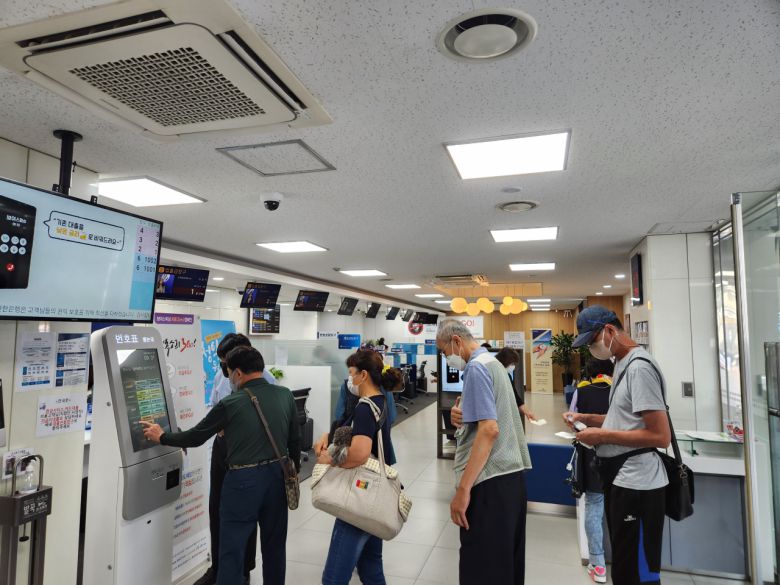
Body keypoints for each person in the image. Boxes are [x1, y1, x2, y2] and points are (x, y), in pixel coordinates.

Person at [142, 346, 300, 585]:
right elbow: (294, 440)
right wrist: (292, 470)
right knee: (275, 546)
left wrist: (162, 437)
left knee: (232, 551)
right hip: (277, 477)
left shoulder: (231, 403)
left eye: (227, 372)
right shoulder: (285, 395)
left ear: (236, 373)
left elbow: (196, 437)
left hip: (242, 483)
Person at [563, 306, 671, 585]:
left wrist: (601, 437)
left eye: (592, 341)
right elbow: (624, 418)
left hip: (640, 485)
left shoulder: (639, 368)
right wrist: (587, 418)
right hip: (622, 480)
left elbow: (660, 435)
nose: (591, 349)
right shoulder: (621, 363)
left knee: (637, 571)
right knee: (623, 568)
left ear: (610, 331)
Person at [439, 319, 532, 585]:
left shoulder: (476, 369)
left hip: (489, 483)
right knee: (507, 565)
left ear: (456, 341)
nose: (446, 359)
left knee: (482, 568)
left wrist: (463, 489)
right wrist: (463, 414)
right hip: (511, 481)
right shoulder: (494, 365)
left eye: (444, 351)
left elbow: (489, 430)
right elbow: (495, 414)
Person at [194, 333, 275, 585]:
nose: (223, 368)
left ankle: (242, 571)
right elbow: (216, 405)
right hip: (222, 449)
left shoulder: (266, 381)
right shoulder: (224, 374)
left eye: (225, 362)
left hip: (246, 454)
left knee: (243, 516)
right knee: (217, 509)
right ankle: (217, 567)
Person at [314, 349, 399, 585]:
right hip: (373, 500)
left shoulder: (364, 407)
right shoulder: (380, 401)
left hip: (358, 499)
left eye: (351, 373)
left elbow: (360, 453)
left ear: (363, 375)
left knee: (333, 578)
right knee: (371, 570)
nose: (349, 379)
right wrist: (327, 434)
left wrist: (330, 459)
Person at [570, 358, 614, 584]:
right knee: (620, 507)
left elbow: (572, 419)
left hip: (591, 456)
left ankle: (598, 564)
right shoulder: (618, 389)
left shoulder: (582, 390)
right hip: (621, 458)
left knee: (594, 506)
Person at [494, 347, 537, 422]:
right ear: (505, 361)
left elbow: (515, 395)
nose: (513, 366)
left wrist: (527, 411)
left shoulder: (508, 376)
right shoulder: (493, 374)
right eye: (512, 363)